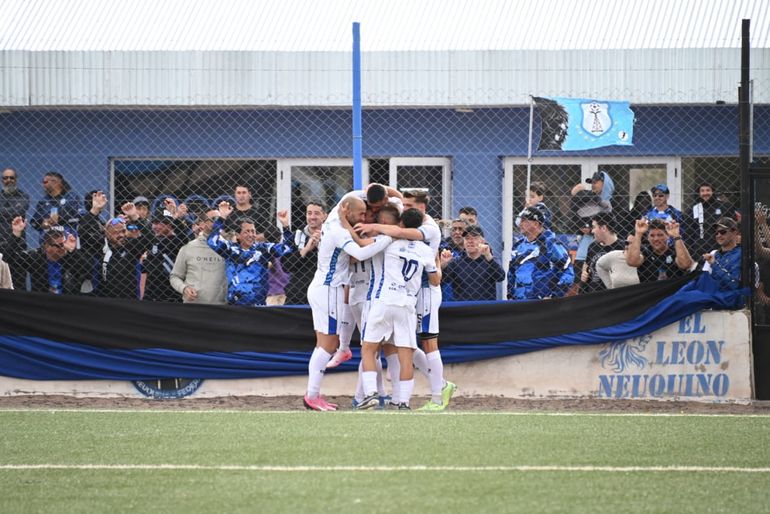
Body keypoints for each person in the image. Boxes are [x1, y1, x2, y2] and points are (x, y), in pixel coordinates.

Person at [356, 189, 456, 411]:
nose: (404, 206)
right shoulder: (424, 250)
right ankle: (403, 401)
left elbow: (361, 254)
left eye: (408, 205)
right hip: (409, 302)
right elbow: (435, 278)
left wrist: (366, 230)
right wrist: (437, 264)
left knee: (371, 348)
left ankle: (373, 394)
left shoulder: (392, 240)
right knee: (406, 352)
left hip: (391, 299)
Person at [304, 196, 393, 411]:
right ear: (346, 209)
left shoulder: (338, 220)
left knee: (325, 345)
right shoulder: (338, 230)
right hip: (328, 290)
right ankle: (311, 395)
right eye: (360, 213)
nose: (363, 217)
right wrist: (387, 238)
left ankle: (314, 393)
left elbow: (359, 193)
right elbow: (361, 252)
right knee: (326, 346)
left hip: (327, 289)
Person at [208, 202, 294, 307]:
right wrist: (222, 218)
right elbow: (212, 241)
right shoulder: (230, 250)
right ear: (238, 235)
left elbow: (287, 249)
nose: (251, 235)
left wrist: (285, 226)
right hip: (234, 305)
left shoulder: (263, 249)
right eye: (247, 232)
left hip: (259, 305)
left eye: (253, 231)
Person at [79, 202, 149, 299]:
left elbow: (150, 237)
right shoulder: (100, 247)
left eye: (123, 231)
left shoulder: (131, 247)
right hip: (104, 302)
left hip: (130, 302)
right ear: (107, 233)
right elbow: (83, 232)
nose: (121, 235)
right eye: (116, 232)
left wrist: (135, 216)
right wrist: (94, 210)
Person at [4, 217, 87, 294]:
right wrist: (15, 234)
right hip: (42, 301)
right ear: (47, 246)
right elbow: (8, 257)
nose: (63, 248)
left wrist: (73, 251)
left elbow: (87, 270)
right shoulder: (35, 257)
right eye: (59, 245)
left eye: (63, 244)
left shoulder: (68, 256)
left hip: (67, 301)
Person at [507, 207, 574, 300]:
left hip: (541, 304)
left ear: (536, 224)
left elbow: (567, 271)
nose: (520, 224)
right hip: (518, 303)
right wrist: (510, 294)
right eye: (520, 220)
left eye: (524, 220)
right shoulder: (518, 245)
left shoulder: (551, 244)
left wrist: (554, 296)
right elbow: (511, 272)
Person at [169, 209, 227, 304]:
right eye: (214, 219)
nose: (218, 221)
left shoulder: (229, 247)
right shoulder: (188, 248)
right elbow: (175, 277)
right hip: (194, 307)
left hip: (221, 307)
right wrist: (184, 288)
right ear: (202, 224)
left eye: (220, 219)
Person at [440, 225, 505, 301]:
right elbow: (443, 280)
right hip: (462, 308)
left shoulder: (490, 260)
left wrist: (489, 256)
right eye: (467, 238)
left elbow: (501, 277)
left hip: (486, 308)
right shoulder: (456, 262)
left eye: (474, 238)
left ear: (483, 241)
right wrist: (443, 264)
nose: (470, 241)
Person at [282, 201, 328, 305]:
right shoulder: (297, 236)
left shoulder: (332, 235)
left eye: (317, 213)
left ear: (325, 216)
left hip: (324, 293)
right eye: (309, 213)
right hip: (297, 294)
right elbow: (286, 266)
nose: (312, 217)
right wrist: (306, 249)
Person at [626, 218, 694, 283]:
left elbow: (685, 264)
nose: (656, 239)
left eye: (660, 235)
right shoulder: (645, 251)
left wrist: (676, 236)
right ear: (648, 237)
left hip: (674, 293)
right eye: (652, 235)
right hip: (649, 292)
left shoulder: (676, 250)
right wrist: (638, 233)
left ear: (667, 235)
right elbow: (632, 262)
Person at [140, 214, 189, 302]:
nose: (156, 226)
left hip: (172, 296)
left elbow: (183, 238)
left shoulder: (176, 242)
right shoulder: (152, 242)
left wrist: (176, 217)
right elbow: (145, 272)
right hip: (151, 295)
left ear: (169, 225)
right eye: (154, 223)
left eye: (159, 223)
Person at [0, 168, 30, 288]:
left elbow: (18, 211)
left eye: (11, 177)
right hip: (0, 245)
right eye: (5, 178)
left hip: (18, 246)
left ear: (16, 180)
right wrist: (11, 212)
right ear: (2, 180)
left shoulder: (24, 196)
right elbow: (14, 212)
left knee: (18, 283)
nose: (9, 180)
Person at [580, 213, 625, 293]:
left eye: (594, 227)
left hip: (615, 296)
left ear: (604, 228)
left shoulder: (623, 248)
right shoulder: (592, 246)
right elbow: (586, 265)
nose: (592, 231)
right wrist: (584, 273)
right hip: (594, 296)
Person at [689, 182, 738, 257]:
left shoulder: (725, 206)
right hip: (699, 251)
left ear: (713, 191)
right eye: (702, 191)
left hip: (721, 248)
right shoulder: (693, 209)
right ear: (698, 193)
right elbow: (690, 231)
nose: (705, 193)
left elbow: (733, 226)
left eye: (708, 190)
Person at [30, 172, 82, 239]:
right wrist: (43, 223)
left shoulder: (71, 197)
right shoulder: (43, 201)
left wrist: (60, 219)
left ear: (56, 182)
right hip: (47, 242)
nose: (43, 185)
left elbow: (80, 216)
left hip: (68, 239)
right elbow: (34, 223)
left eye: (45, 182)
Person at [703, 217, 741, 291]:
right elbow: (704, 280)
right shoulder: (713, 254)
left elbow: (735, 284)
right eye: (716, 233)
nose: (718, 235)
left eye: (723, 232)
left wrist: (714, 264)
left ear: (734, 232)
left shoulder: (741, 254)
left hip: (730, 298)